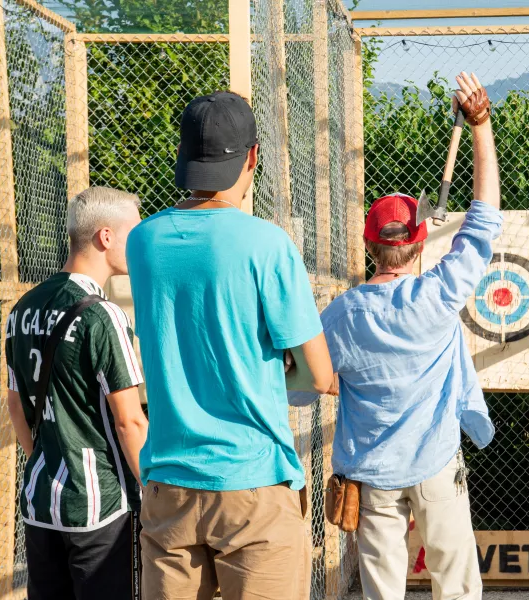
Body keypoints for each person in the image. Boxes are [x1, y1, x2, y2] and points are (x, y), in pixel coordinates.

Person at [291, 72, 500, 600]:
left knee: (383, 590)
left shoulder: (340, 315)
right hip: (434, 463)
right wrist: (482, 126)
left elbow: (313, 379)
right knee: (457, 585)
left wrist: (350, 383)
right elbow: (485, 216)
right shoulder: (439, 295)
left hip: (371, 474)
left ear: (369, 247)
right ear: (420, 245)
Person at [126, 91, 333, 600]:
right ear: (252, 157)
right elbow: (319, 376)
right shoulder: (266, 243)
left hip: (168, 486)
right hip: (253, 483)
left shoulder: (141, 240)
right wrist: (273, 374)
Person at [5, 187, 148, 600]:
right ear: (106, 237)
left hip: (40, 502)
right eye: (131, 234)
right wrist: (153, 489)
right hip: (98, 507)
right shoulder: (103, 316)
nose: (135, 245)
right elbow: (129, 420)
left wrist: (47, 460)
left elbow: (16, 404)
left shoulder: (23, 308)